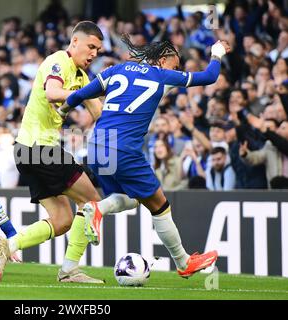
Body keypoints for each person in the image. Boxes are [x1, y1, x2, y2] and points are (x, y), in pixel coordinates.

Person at [58, 36, 231, 278]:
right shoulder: (161, 75)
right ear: (162, 60)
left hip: (96, 147)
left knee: (131, 198)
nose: (177, 70)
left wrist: (63, 110)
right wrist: (217, 52)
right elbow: (210, 76)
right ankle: (183, 263)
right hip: (124, 149)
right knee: (160, 206)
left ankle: (98, 208)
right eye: (175, 65)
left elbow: (80, 95)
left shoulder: (116, 69)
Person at [10, 21, 105, 283]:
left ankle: (7, 246)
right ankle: (69, 271)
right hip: (40, 148)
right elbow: (52, 93)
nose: (94, 53)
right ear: (74, 42)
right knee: (92, 202)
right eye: (91, 46)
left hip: (26, 152)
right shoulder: (58, 61)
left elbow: (100, 115)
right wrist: (82, 94)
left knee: (62, 220)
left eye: (98, 49)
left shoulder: (83, 77)